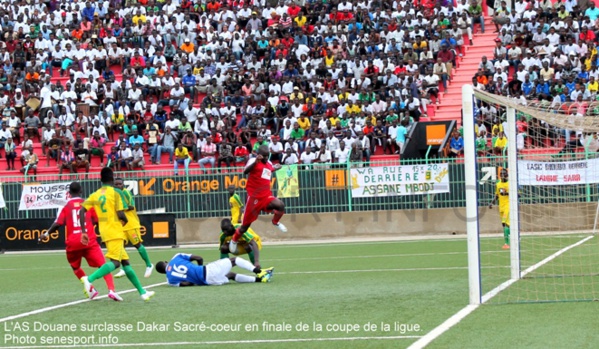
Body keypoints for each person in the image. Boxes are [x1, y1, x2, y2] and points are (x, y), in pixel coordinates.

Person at [80, 167, 155, 301]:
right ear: (113, 179)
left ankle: (142, 292)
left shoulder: (96, 194)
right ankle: (89, 279)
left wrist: (84, 231)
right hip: (115, 231)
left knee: (125, 262)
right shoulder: (116, 193)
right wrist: (125, 221)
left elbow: (82, 210)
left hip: (105, 231)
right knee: (115, 263)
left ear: (100, 179)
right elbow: (121, 214)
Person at [40, 182, 123, 301]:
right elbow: (97, 220)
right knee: (103, 265)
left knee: (75, 268)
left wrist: (46, 233)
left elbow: (58, 224)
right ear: (81, 191)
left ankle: (91, 289)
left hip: (73, 241)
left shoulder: (65, 206)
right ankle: (111, 290)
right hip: (88, 240)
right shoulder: (88, 204)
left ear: (69, 193)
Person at [229, 145, 287, 255]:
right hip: (254, 198)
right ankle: (234, 239)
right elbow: (245, 171)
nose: (266, 158)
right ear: (258, 154)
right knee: (245, 227)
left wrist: (275, 168)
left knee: (280, 205)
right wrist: (256, 161)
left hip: (266, 196)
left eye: (267, 156)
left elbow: (267, 171)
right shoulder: (253, 160)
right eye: (264, 156)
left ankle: (275, 222)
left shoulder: (268, 163)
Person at [113, 178, 154, 279]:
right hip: (122, 224)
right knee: (121, 246)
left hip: (131, 223)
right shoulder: (115, 195)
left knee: (137, 244)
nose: (118, 186)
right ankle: (124, 268)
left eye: (120, 184)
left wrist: (121, 208)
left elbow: (131, 206)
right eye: (116, 184)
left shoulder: (126, 193)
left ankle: (149, 265)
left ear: (123, 185)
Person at [155, 252, 273, 286]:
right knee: (234, 260)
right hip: (207, 271)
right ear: (166, 262)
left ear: (162, 272)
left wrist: (195, 280)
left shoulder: (169, 280)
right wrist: (200, 267)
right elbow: (199, 257)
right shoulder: (176, 257)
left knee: (230, 275)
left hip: (208, 282)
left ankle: (260, 280)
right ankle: (259, 272)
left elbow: (186, 284)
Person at [489, 168, 510, 249]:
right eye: (501, 175)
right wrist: (492, 202)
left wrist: (507, 193)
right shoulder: (498, 184)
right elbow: (497, 195)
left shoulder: (510, 184)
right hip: (501, 206)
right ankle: (516, 234)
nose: (502, 176)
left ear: (507, 175)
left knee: (505, 224)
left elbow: (517, 194)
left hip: (508, 206)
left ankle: (506, 243)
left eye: (504, 175)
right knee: (504, 225)